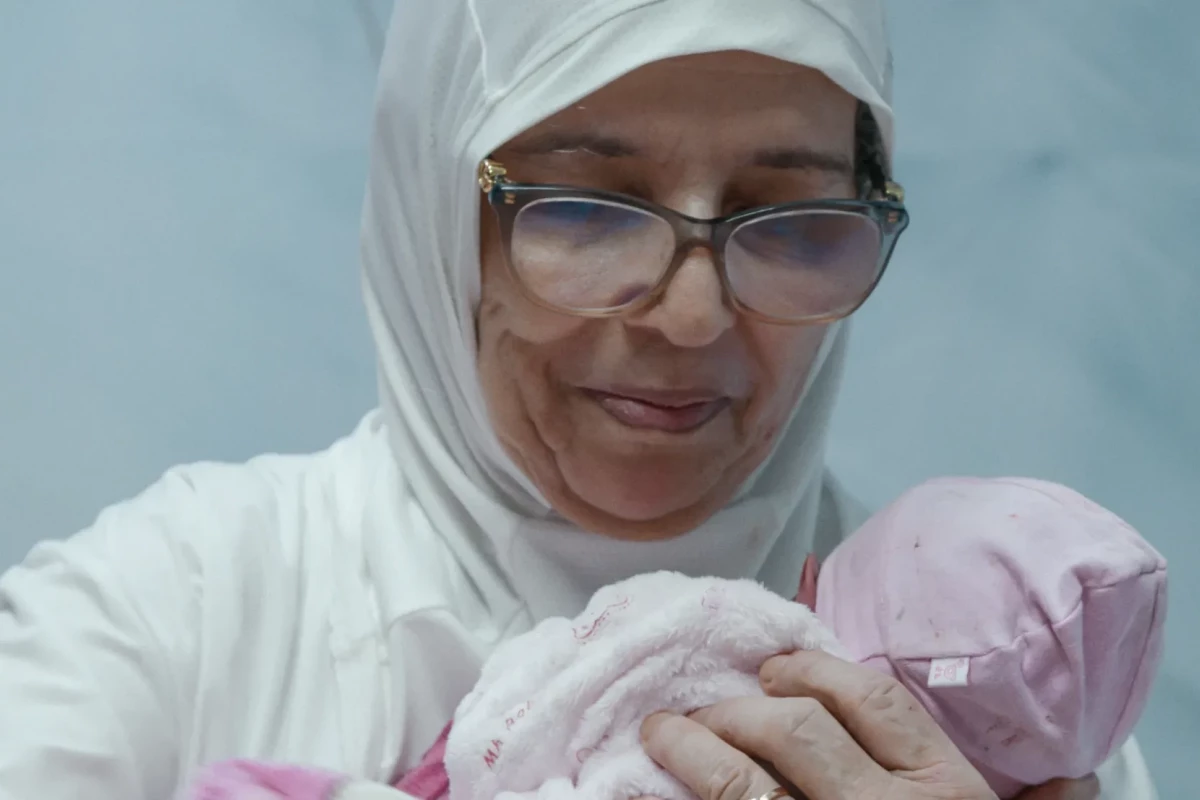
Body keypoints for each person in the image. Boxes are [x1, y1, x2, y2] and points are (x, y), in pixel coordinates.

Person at [0, 2, 1158, 799]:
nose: (691, 314)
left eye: (791, 219)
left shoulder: (991, 691)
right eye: (585, 208)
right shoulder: (172, 611)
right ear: (433, 216)